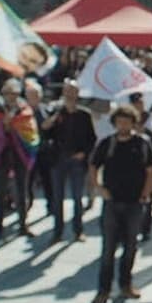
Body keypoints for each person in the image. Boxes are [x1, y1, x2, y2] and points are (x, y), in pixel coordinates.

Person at [88, 105, 152, 303]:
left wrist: (146, 192)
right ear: (115, 123)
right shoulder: (107, 143)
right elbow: (93, 165)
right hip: (112, 203)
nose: (123, 125)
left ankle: (126, 285)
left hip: (135, 203)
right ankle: (103, 290)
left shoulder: (143, 143)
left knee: (130, 247)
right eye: (120, 122)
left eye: (127, 121)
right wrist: (99, 188)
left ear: (133, 122)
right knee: (108, 249)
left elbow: (151, 170)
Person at [0, 79, 40, 238]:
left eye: (14, 93)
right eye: (7, 93)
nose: (11, 97)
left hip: (20, 154)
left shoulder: (24, 109)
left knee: (22, 191)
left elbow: (31, 133)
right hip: (2, 155)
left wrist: (14, 126)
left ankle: (23, 225)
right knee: (0, 190)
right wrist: (3, 125)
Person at [43, 78, 97, 242]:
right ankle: (57, 232)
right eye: (67, 92)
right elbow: (45, 132)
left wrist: (83, 153)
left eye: (73, 92)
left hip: (77, 161)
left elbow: (92, 139)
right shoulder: (56, 111)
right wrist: (51, 121)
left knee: (77, 197)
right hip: (58, 160)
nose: (70, 95)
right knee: (58, 198)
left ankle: (78, 229)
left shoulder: (84, 115)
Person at [130, 92, 152, 242]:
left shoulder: (151, 119)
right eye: (136, 103)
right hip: (130, 168)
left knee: (148, 199)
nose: (139, 106)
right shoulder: (126, 120)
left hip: (147, 166)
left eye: (141, 103)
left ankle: (146, 229)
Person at [24, 80, 54, 216]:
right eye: (30, 95)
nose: (33, 98)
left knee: (48, 180)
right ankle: (26, 206)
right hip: (28, 152)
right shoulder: (22, 111)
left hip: (44, 151)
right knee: (27, 182)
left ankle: (51, 206)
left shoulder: (46, 109)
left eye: (35, 95)